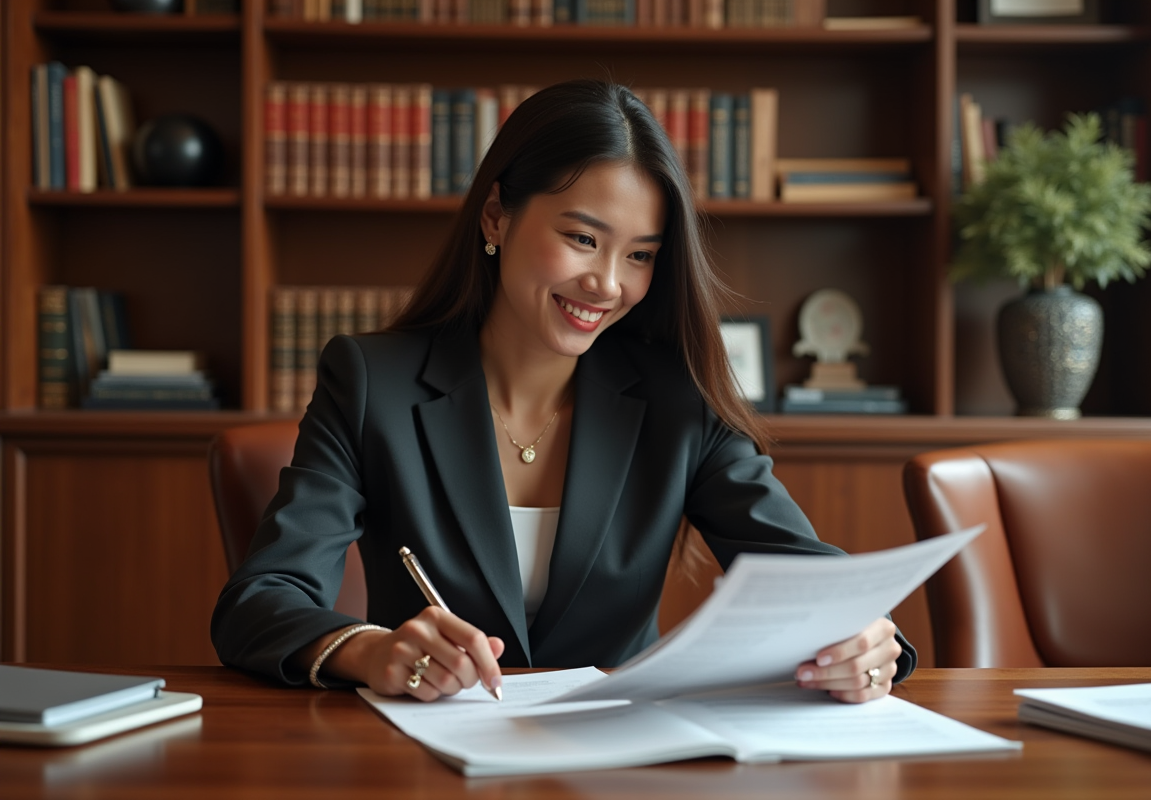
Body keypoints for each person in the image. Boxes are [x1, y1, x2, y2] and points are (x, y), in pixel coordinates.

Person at [211, 79, 914, 704]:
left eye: (639, 255)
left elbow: (808, 577)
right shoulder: (371, 382)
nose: (608, 284)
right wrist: (370, 650)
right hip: (429, 760)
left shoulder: (681, 397)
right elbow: (261, 600)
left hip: (623, 760)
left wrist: (869, 641)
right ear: (496, 217)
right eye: (582, 238)